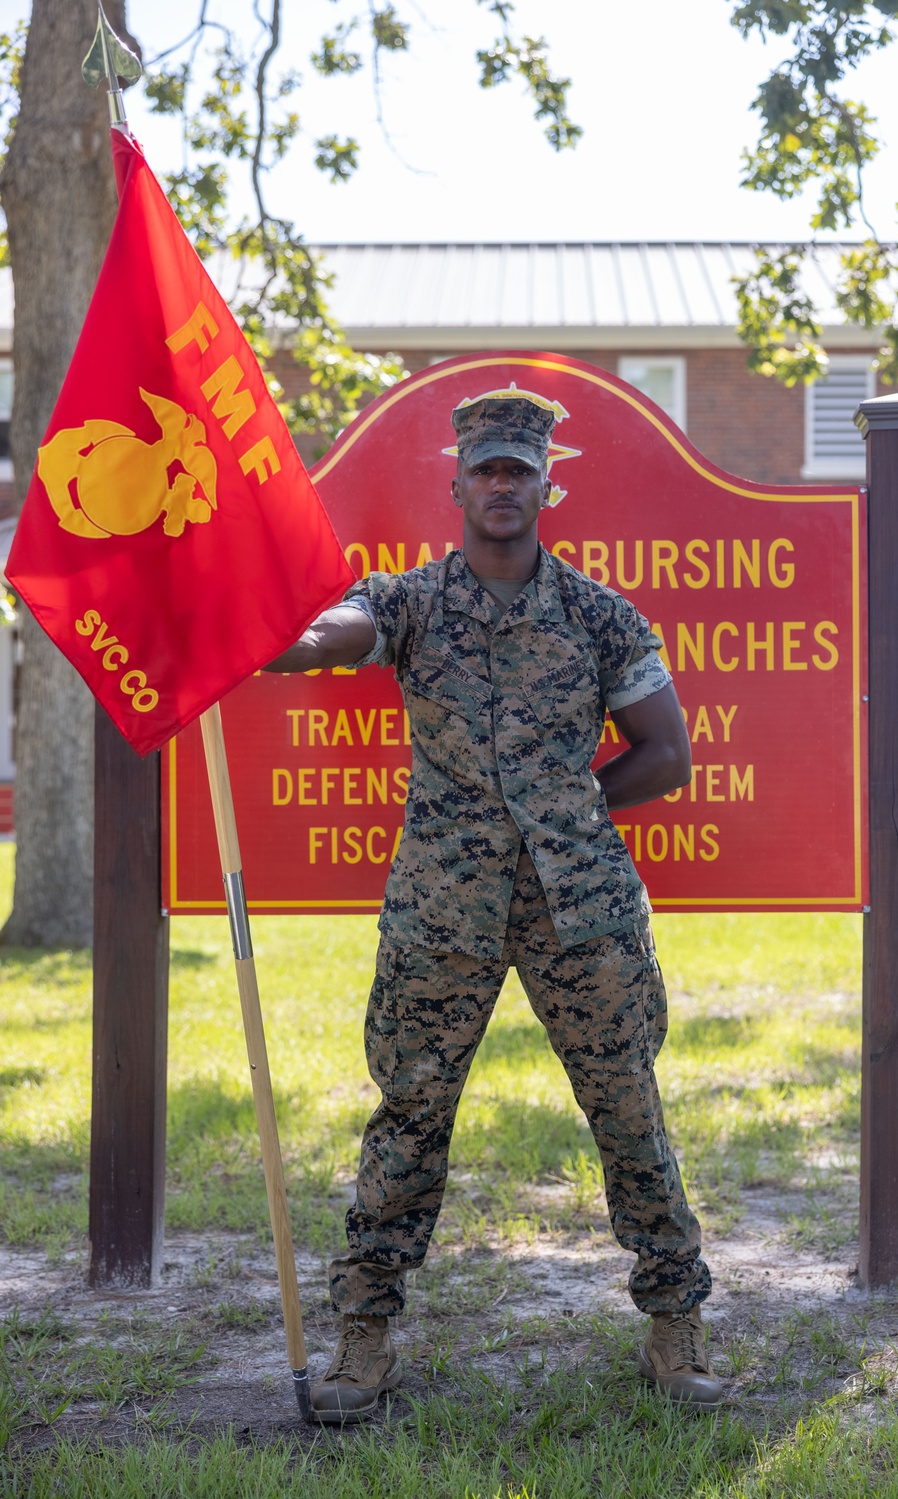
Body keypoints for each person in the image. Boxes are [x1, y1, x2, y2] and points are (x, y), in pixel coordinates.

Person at [266, 390, 720, 1422]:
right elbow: (335, 633)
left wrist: (561, 809)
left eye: (521, 468)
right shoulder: (412, 601)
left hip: (581, 907)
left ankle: (673, 1321)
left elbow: (667, 752)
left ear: (546, 482)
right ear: (458, 481)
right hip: (443, 905)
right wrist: (272, 639)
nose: (504, 485)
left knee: (628, 1109)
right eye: (487, 469)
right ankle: (364, 1334)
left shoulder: (602, 614)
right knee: (410, 1115)